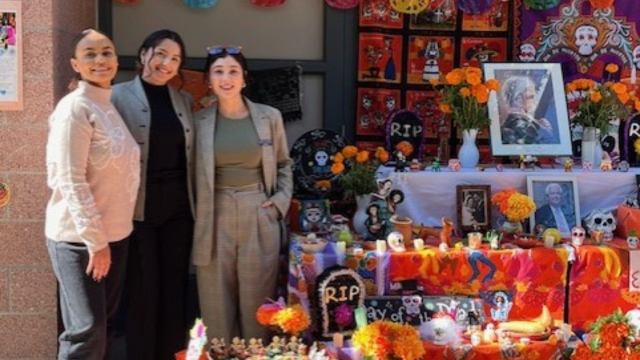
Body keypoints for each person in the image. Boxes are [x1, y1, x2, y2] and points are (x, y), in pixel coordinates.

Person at [45, 29, 140, 360]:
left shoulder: (107, 105)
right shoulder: (75, 108)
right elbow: (69, 178)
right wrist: (95, 241)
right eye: (90, 54)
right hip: (79, 240)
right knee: (87, 331)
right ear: (75, 63)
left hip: (115, 236)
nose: (100, 59)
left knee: (106, 328)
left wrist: (109, 240)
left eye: (106, 52)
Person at [193, 45, 293, 341]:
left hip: (258, 209)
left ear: (244, 78)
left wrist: (277, 205)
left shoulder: (269, 117)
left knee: (258, 304)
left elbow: (285, 164)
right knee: (215, 305)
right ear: (209, 79)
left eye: (233, 71)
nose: (226, 78)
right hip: (213, 213)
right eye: (218, 71)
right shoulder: (198, 122)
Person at [111, 29, 195, 360]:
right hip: (137, 208)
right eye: (161, 53)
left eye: (175, 59)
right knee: (143, 292)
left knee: (174, 288)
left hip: (178, 207)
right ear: (144, 54)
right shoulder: (116, 96)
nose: (166, 63)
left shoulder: (184, 100)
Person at [500, 75, 555, 145]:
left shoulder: (520, 123)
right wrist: (544, 131)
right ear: (517, 98)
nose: (536, 99)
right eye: (531, 95)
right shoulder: (520, 126)